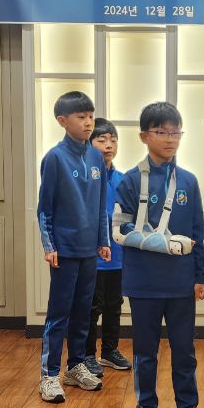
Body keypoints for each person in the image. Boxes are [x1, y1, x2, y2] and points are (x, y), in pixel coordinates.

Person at [116, 102, 204, 408]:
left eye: (176, 132)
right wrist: (160, 243)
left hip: (181, 283)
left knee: (185, 351)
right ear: (144, 136)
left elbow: (198, 232)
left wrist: (200, 276)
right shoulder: (129, 181)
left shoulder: (188, 181)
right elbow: (120, 230)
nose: (170, 139)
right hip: (144, 282)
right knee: (145, 352)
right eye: (162, 132)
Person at [37, 91, 111, 403]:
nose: (88, 122)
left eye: (90, 116)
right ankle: (49, 375)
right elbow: (44, 208)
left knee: (83, 311)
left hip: (89, 251)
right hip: (64, 251)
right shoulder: (54, 158)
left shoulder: (95, 157)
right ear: (62, 121)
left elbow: (101, 204)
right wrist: (49, 245)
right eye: (81, 117)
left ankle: (75, 366)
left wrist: (103, 240)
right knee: (60, 313)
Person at [84, 117, 132, 374]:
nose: (109, 145)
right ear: (89, 144)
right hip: (90, 256)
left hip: (118, 255)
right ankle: (86, 355)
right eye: (101, 140)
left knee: (114, 305)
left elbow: (128, 218)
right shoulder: (82, 178)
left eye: (113, 140)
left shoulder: (124, 181)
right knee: (90, 308)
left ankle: (110, 351)